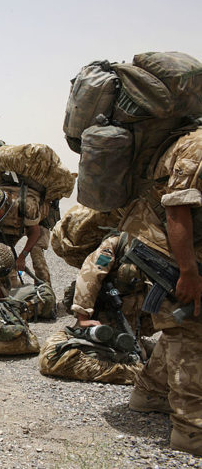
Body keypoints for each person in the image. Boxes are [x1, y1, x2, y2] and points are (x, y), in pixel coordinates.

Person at [117, 127, 202, 456]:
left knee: (177, 321)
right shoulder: (197, 145)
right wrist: (188, 272)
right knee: (190, 326)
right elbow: (176, 210)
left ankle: (149, 392)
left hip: (183, 243)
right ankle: (191, 429)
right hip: (161, 242)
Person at [39, 233, 154, 384]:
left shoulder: (161, 247)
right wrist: (83, 317)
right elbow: (90, 274)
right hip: (106, 317)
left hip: (132, 321)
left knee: (141, 354)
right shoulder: (116, 244)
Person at [0, 184, 50, 287]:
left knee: (36, 253)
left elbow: (35, 232)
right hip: (9, 228)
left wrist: (22, 257)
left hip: (35, 225)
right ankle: (9, 286)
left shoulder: (26, 206)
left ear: (5, 203)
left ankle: (45, 290)